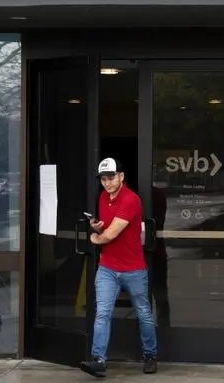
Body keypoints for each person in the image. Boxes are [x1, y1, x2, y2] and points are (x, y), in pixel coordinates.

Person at [79, 158, 158, 378]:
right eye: (103, 179)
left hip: (133, 269)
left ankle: (150, 355)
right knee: (102, 313)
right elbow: (108, 227)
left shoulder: (131, 199)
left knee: (143, 313)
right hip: (107, 268)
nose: (107, 183)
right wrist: (97, 227)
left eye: (111, 177)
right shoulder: (103, 197)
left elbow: (112, 234)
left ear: (121, 176)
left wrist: (95, 238)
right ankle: (98, 360)